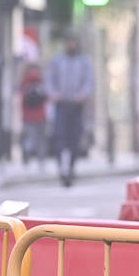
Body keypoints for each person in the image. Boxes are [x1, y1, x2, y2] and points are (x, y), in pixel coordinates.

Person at [45, 32, 94, 187]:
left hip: (76, 106)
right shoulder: (57, 61)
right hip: (61, 105)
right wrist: (53, 94)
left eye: (73, 42)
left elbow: (89, 81)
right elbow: (49, 79)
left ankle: (71, 168)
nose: (71, 45)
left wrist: (83, 94)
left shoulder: (83, 62)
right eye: (68, 43)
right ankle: (61, 168)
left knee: (75, 139)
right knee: (60, 138)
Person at [18, 61, 49, 166]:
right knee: (41, 138)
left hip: (28, 115)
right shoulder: (42, 82)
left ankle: (27, 153)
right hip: (41, 114)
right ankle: (41, 160)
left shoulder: (24, 82)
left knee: (29, 137)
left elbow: (21, 99)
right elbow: (46, 98)